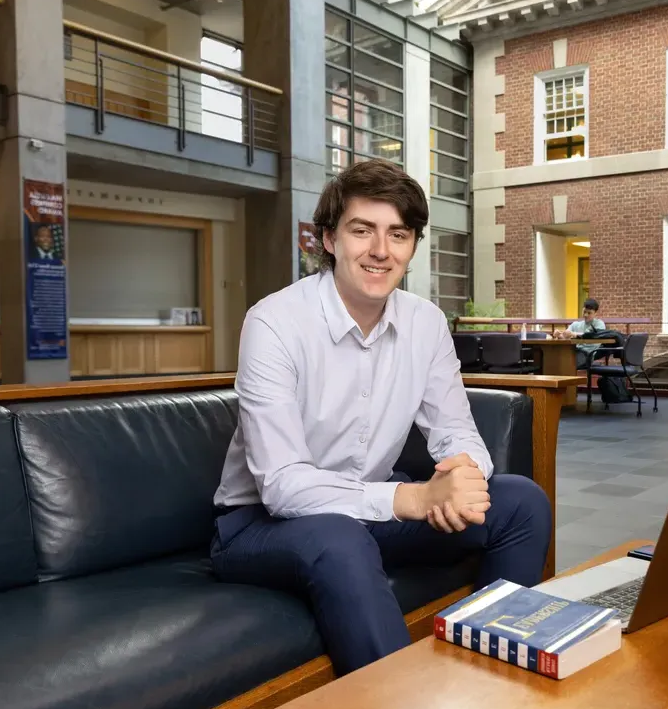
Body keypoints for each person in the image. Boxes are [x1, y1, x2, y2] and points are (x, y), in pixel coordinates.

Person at [210, 159, 551, 676]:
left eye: (398, 234)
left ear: (412, 246)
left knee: (520, 501)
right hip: (258, 525)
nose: (380, 250)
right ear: (328, 239)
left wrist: (463, 475)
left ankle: (493, 683)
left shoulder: (425, 322)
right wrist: (413, 497)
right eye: (361, 230)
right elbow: (281, 486)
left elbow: (455, 429)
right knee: (337, 536)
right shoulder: (274, 322)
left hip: (366, 509)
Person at [557, 298, 606, 369]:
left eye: (589, 313)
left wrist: (573, 334)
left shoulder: (599, 324)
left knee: (567, 363)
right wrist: (559, 335)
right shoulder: (575, 324)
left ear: (595, 313)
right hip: (573, 351)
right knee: (557, 359)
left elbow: (591, 336)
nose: (585, 315)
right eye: (584, 312)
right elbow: (564, 336)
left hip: (588, 354)